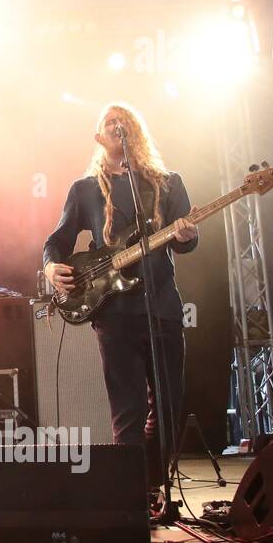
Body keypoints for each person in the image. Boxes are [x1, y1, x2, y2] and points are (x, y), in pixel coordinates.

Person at [42, 104, 197, 503]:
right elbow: (55, 242)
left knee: (168, 404)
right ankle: (131, 496)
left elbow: (188, 243)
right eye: (109, 122)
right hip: (113, 311)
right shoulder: (85, 189)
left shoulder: (167, 183)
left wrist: (185, 235)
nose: (117, 125)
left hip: (161, 306)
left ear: (137, 131)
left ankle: (152, 481)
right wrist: (49, 269)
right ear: (99, 138)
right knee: (126, 409)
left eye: (124, 120)